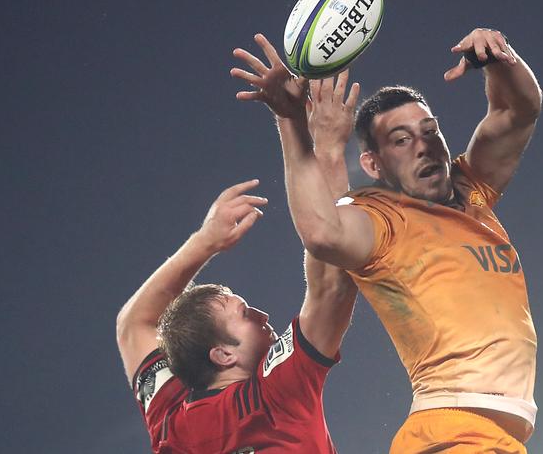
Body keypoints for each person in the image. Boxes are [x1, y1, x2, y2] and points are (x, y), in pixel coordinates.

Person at [231, 29, 542, 453]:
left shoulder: (472, 191)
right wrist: (293, 121)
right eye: (401, 140)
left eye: (429, 131)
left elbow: (519, 109)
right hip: (451, 434)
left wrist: (499, 58)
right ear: (373, 165)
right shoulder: (382, 219)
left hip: (488, 437)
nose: (423, 147)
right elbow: (322, 232)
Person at [115, 74, 360, 454]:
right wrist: (320, 144)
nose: (262, 315)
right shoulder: (276, 393)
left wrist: (206, 240)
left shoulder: (170, 418)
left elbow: (134, 324)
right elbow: (333, 283)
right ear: (223, 355)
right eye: (244, 314)